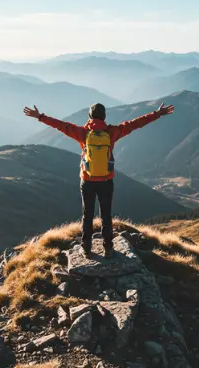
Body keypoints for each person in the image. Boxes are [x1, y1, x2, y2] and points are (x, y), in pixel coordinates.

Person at [23, 102, 174, 258]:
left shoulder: (82, 133)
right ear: (104, 117)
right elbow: (135, 124)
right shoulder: (112, 132)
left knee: (87, 215)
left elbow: (61, 126)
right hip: (106, 181)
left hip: (87, 181)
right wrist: (157, 114)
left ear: (90, 116)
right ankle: (108, 248)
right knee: (106, 215)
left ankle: (86, 248)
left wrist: (40, 117)